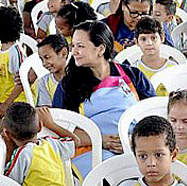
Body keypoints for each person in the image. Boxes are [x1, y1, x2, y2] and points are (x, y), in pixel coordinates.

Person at [54, 20, 155, 165]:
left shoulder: (132, 75)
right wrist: (101, 140)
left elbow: (154, 115)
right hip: (90, 150)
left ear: (100, 49)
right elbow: (61, 129)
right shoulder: (68, 86)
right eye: (73, 46)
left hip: (137, 144)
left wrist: (136, 141)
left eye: (80, 46)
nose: (74, 52)